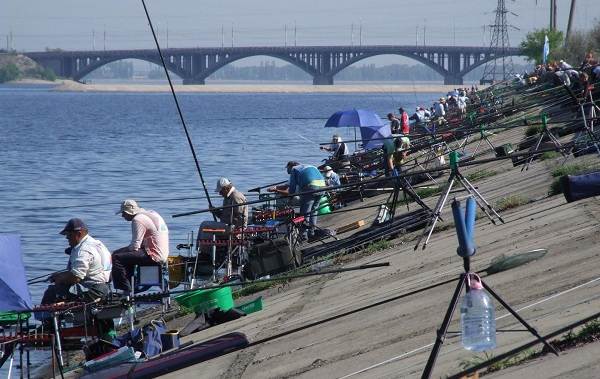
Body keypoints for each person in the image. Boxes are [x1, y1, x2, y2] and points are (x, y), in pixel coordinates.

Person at [41, 218, 112, 305]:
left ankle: (47, 317)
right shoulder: (97, 243)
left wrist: (60, 278)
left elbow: (76, 277)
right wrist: (60, 275)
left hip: (93, 290)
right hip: (104, 287)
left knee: (52, 292)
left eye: (69, 234)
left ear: (78, 234)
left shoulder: (84, 250)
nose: (67, 237)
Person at [112, 199, 169, 294]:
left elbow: (135, 246)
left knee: (116, 257)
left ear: (128, 212)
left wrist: (119, 251)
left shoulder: (137, 220)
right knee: (125, 256)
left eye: (123, 213)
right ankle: (131, 285)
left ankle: (126, 291)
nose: (122, 216)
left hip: (153, 255)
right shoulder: (152, 213)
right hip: (163, 254)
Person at [269, 161, 326, 239]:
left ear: (291, 166)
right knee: (314, 210)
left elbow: (292, 188)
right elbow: (287, 186)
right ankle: (312, 232)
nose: (287, 171)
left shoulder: (294, 169)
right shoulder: (308, 166)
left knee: (305, 213)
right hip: (322, 187)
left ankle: (303, 235)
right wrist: (275, 188)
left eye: (287, 168)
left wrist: (290, 199)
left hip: (311, 187)